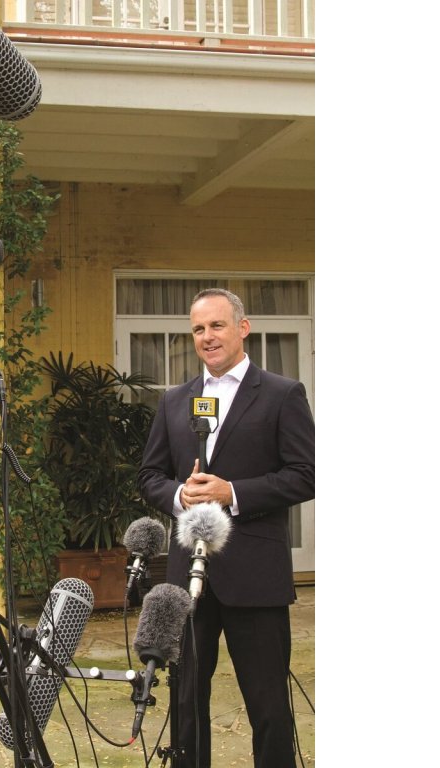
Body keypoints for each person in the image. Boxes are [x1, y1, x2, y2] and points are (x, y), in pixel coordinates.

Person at [137, 288, 315, 768]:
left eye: (217, 325)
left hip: (255, 576)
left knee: (268, 704)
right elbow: (149, 475)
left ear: (243, 328)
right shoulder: (175, 400)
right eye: (198, 329)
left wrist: (231, 492)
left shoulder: (282, 394)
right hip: (187, 582)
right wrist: (180, 495)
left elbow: (307, 474)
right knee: (185, 702)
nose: (207, 337)